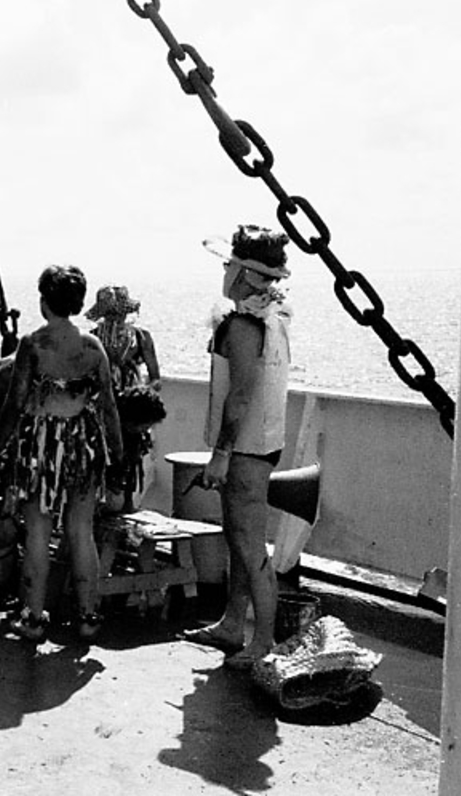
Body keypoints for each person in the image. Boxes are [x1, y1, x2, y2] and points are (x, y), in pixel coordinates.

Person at [0, 265, 123, 642]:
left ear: (45, 301)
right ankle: (89, 617)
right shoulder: (93, 347)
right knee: (81, 531)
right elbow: (109, 407)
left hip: (41, 445)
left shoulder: (32, 344)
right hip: (83, 443)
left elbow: (15, 402)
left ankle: (33, 619)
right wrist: (117, 456)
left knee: (37, 530)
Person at [182, 224, 293, 669]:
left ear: (244, 273)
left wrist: (221, 454)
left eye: (229, 264)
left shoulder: (245, 327)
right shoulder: (274, 320)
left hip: (246, 450)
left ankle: (264, 642)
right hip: (263, 443)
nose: (225, 271)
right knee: (238, 538)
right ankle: (232, 624)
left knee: (249, 545)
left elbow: (240, 396)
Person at [86, 284, 165, 512]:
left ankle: (127, 504)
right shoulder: (91, 339)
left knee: (132, 455)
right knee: (100, 454)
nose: (115, 318)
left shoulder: (141, 337)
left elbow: (155, 378)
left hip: (131, 410)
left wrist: (140, 396)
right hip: (101, 405)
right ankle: (100, 505)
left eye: (118, 313)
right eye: (110, 314)